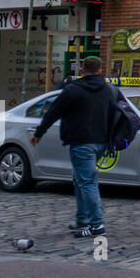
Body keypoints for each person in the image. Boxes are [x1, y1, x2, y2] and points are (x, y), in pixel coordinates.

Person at [30, 56, 116, 237]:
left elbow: (53, 113)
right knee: (80, 179)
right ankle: (82, 219)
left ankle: (96, 225)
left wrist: (38, 133)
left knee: (87, 181)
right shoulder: (109, 90)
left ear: (82, 70)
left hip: (81, 142)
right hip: (102, 142)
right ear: (100, 70)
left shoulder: (72, 90)